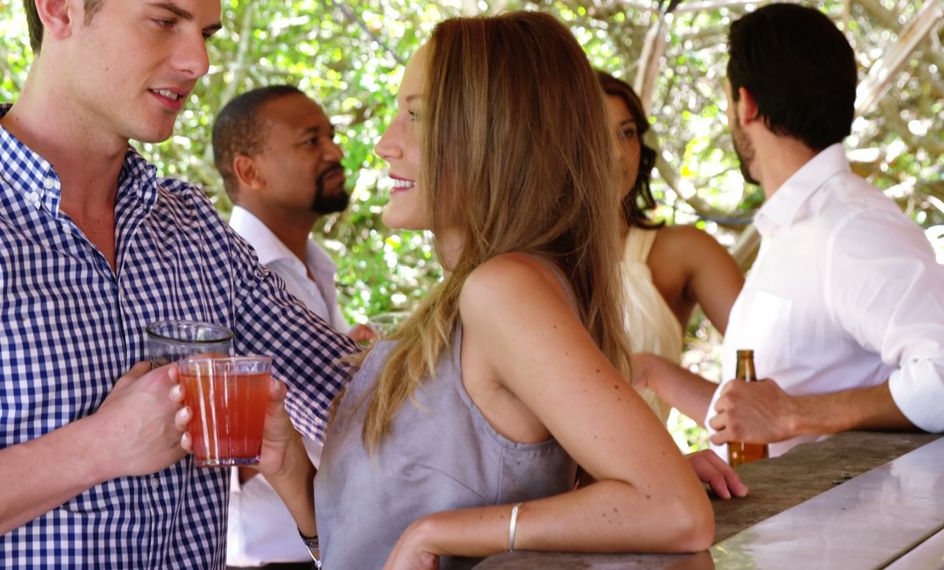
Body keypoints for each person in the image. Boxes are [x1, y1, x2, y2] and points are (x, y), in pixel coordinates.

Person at [0, 1, 356, 567]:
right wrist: (97, 447)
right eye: (165, 21)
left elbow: (349, 397)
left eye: (206, 33)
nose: (197, 61)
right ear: (60, 11)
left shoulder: (191, 227)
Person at [216, 11, 714, 569]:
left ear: (490, 136)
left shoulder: (503, 289)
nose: (385, 144)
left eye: (416, 116)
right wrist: (292, 474)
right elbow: (370, 542)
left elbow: (673, 507)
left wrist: (439, 532)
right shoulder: (470, 297)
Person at [634, 3, 944, 461]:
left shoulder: (850, 227)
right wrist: (650, 371)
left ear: (746, 104)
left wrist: (794, 414)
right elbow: (759, 413)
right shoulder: (795, 229)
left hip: (848, 528)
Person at [211, 85, 373, 569]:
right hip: (269, 556)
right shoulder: (221, 277)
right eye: (310, 141)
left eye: (332, 136)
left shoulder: (315, 265)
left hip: (332, 545)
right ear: (249, 171)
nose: (335, 152)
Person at [598, 71, 744, 423]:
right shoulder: (522, 262)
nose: (618, 154)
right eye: (596, 136)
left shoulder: (681, 251)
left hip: (650, 473)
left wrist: (654, 372)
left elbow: (774, 377)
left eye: (627, 133)